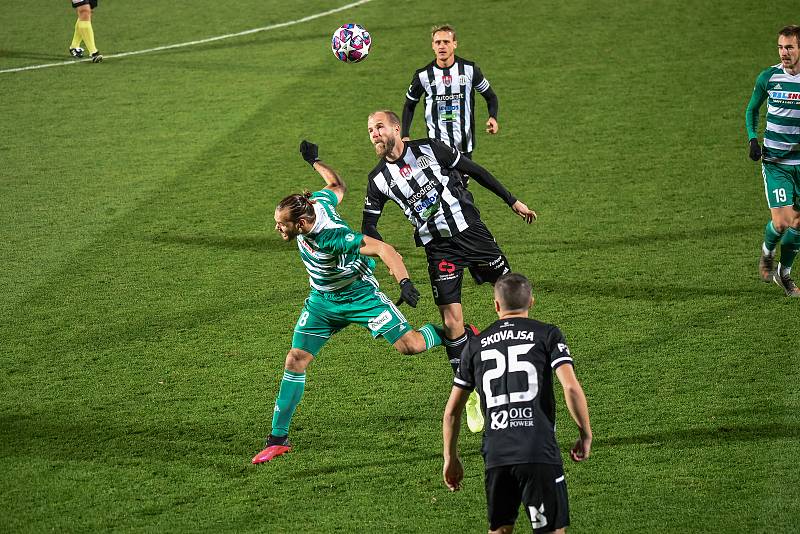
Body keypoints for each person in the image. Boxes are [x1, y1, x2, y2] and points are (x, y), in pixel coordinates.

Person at [252, 141, 445, 464]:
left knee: (409, 346)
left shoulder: (331, 238)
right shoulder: (316, 203)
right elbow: (336, 185)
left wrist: (404, 281)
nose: (277, 228)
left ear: (300, 225)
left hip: (359, 296)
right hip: (322, 301)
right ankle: (278, 439)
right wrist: (315, 160)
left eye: (281, 224)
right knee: (295, 359)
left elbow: (385, 250)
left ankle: (454, 333)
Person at [362, 109, 537, 433]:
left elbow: (475, 170)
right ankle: (470, 393)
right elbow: (369, 229)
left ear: (397, 129)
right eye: (370, 129)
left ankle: (522, 370)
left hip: (472, 233)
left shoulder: (430, 149)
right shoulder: (377, 181)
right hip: (439, 250)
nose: (374, 133)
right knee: (451, 323)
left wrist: (512, 201)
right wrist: (388, 261)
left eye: (380, 126)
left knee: (511, 300)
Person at [442, 273, 592, 534]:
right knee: (551, 530)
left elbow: (452, 413)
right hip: (538, 450)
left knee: (500, 529)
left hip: (497, 453)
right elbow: (570, 387)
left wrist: (451, 458)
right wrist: (585, 434)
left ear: (496, 306)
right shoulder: (547, 334)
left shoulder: (475, 345)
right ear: (531, 302)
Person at [402, 25, 499, 182]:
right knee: (446, 187)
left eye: (446, 42)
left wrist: (493, 117)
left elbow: (491, 96)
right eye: (438, 42)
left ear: (455, 44)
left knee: (461, 188)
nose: (442, 46)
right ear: (433, 46)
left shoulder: (469, 70)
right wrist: (405, 135)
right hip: (438, 145)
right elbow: (409, 105)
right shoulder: (423, 76)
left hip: (464, 143)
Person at [747, 24, 800, 297]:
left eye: (789, 47)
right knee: (782, 222)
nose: (784, 52)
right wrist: (752, 138)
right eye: (781, 47)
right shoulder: (769, 77)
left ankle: (784, 273)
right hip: (776, 162)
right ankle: (767, 252)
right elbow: (752, 109)